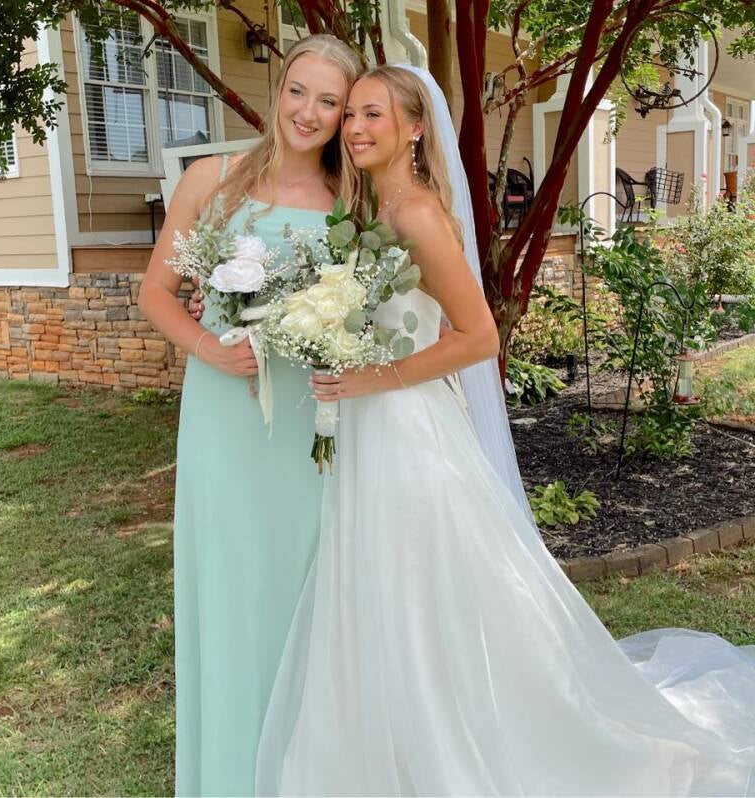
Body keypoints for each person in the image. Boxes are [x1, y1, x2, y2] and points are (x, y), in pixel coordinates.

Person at [254, 65, 755, 796]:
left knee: (413, 590)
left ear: (414, 128)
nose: (355, 128)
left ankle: (449, 743)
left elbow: (479, 337)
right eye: (350, 114)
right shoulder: (369, 207)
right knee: (379, 588)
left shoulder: (416, 215)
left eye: (372, 114)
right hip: (366, 427)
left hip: (406, 433)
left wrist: (373, 377)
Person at [138, 35, 363, 797]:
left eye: (329, 102)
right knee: (230, 580)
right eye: (299, 91)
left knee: (305, 580)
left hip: (308, 418)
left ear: (344, 115)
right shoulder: (213, 178)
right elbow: (156, 292)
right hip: (224, 414)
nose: (308, 112)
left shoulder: (351, 200)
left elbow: (373, 302)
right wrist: (210, 346)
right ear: (278, 89)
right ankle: (230, 773)